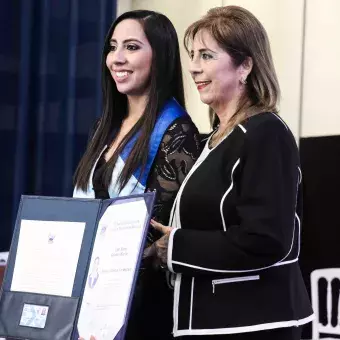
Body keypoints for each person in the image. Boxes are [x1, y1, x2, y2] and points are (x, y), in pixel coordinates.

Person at [144, 5, 314, 340]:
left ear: (245, 65)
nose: (194, 68)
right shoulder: (212, 140)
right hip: (210, 326)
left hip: (256, 328)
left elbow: (266, 239)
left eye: (206, 55)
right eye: (192, 56)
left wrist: (175, 247)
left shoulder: (266, 134)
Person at [74, 10, 200, 340]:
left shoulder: (177, 133)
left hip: (141, 306)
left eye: (131, 47)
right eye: (112, 47)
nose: (117, 58)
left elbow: (156, 232)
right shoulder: (102, 128)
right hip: (88, 300)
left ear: (160, 57)